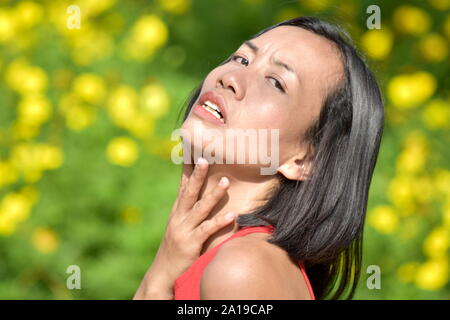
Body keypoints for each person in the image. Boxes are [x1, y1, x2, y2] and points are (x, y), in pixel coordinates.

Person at [133, 16, 384, 300]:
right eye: (241, 59)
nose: (229, 78)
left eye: (276, 82)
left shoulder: (243, 268)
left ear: (304, 160)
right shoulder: (224, 260)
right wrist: (162, 273)